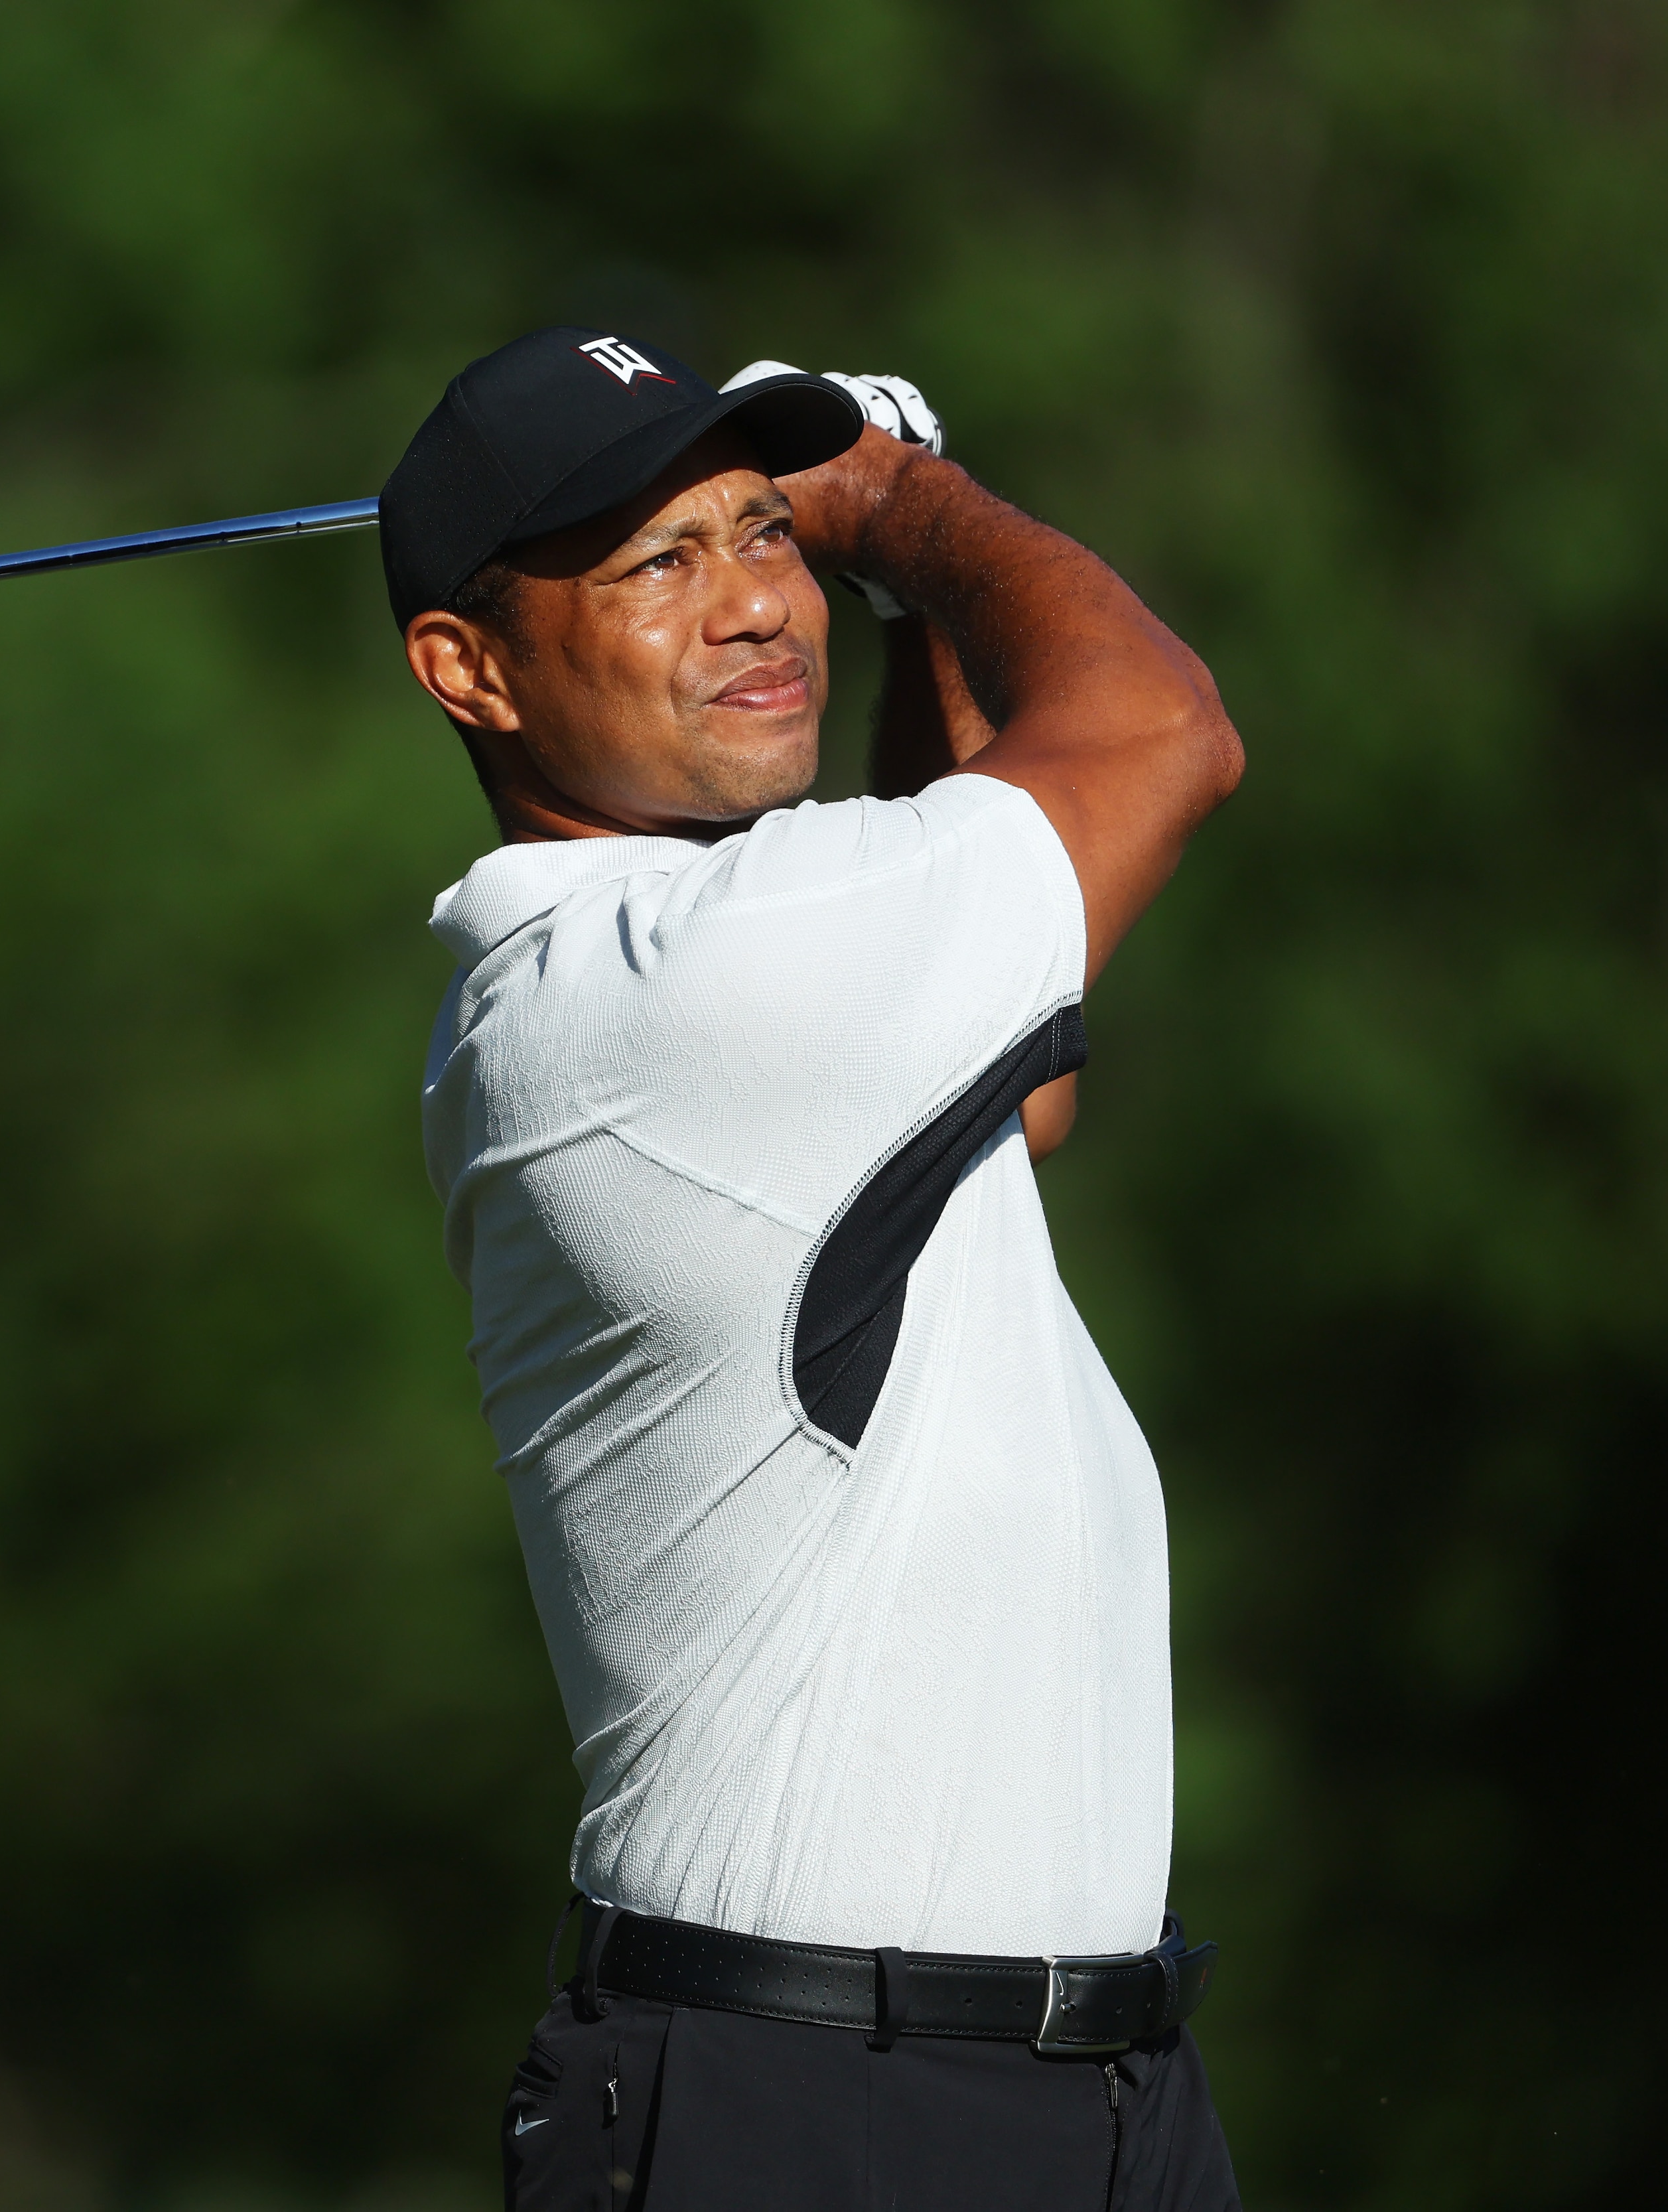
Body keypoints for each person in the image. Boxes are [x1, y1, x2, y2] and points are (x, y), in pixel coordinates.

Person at [385, 327, 1246, 2211]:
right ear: (468, 666)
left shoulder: (718, 971)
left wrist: (896, 584)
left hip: (1092, 2093)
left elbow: (1010, 1114)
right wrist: (889, 500)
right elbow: (1166, 730)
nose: (758, 607)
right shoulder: (650, 991)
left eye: (763, 533)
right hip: (814, 2114)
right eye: (658, 564)